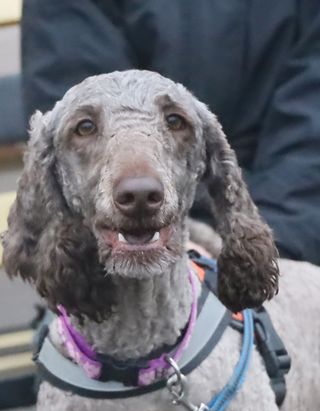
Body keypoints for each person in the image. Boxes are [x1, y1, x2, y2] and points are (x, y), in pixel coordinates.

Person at [21, 0, 320, 265]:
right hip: (124, 253)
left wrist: (259, 249)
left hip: (296, 240)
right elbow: (77, 129)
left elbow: (311, 133)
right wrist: (185, 252)